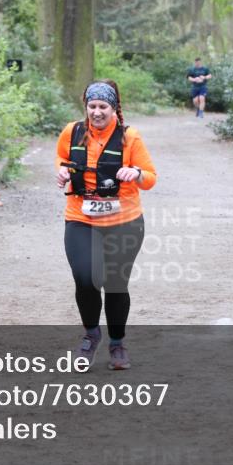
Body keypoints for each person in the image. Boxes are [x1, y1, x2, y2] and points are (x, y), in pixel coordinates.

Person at [55, 80, 157, 370]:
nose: (97, 112)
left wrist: (134, 172)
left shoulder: (129, 137)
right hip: (80, 216)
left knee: (114, 283)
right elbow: (62, 160)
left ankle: (117, 343)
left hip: (124, 220)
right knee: (85, 278)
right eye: (92, 106)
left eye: (103, 107)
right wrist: (62, 173)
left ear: (114, 109)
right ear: (85, 107)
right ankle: (91, 335)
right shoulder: (72, 132)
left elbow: (150, 177)